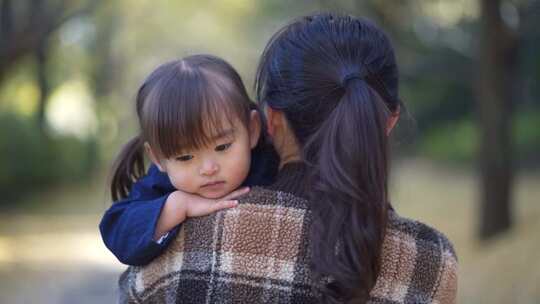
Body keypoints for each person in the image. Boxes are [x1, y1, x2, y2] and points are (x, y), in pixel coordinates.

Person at [117, 13, 458, 304]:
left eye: (221, 147)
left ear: (269, 120)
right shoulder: (433, 264)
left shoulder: (181, 250)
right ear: (388, 121)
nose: (208, 167)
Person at [100, 54, 278, 265]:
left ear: (253, 130)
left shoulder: (274, 160)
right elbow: (118, 231)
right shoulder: (160, 185)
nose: (208, 168)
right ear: (159, 158)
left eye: (222, 147)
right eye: (185, 157)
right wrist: (177, 205)